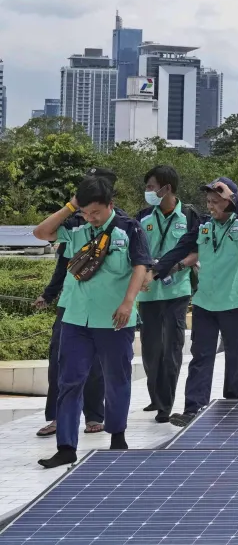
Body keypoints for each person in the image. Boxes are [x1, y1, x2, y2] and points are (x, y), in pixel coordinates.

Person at [32, 176, 151, 468]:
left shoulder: (128, 229)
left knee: (116, 379)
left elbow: (141, 266)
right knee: (69, 382)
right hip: (75, 319)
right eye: (85, 212)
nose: (91, 218)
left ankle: (117, 436)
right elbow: (40, 232)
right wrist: (72, 205)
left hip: (113, 319)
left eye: (96, 212)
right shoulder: (77, 230)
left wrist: (128, 303)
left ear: (111, 205)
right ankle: (66, 447)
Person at [154, 178, 238, 427]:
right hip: (205, 301)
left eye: (216, 201)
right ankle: (193, 407)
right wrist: (157, 270)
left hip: (235, 301)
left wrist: (233, 198)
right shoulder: (204, 225)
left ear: (228, 200)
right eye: (209, 201)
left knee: (235, 354)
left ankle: (232, 399)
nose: (211, 206)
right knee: (201, 355)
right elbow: (181, 249)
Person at [34, 167, 122, 438]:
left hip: (102, 307)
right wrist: (49, 294)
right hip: (72, 306)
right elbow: (60, 259)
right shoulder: (75, 224)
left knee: (94, 365)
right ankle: (58, 417)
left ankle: (95, 415)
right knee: (59, 361)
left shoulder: (123, 226)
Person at [135, 166, 200, 423]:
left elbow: (199, 250)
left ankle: (165, 405)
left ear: (167, 189)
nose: (148, 192)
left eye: (151, 187)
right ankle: (156, 396)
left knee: (172, 348)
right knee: (151, 351)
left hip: (177, 290)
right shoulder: (142, 218)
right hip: (149, 292)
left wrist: (178, 265)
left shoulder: (190, 215)